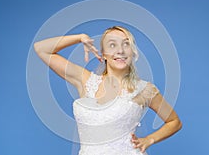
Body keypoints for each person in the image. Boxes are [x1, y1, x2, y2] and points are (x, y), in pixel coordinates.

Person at [34, 26, 182, 155]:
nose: (120, 51)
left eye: (126, 44)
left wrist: (149, 140)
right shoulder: (85, 80)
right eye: (112, 45)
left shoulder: (144, 89)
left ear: (132, 52)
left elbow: (174, 121)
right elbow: (41, 49)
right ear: (103, 54)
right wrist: (79, 38)